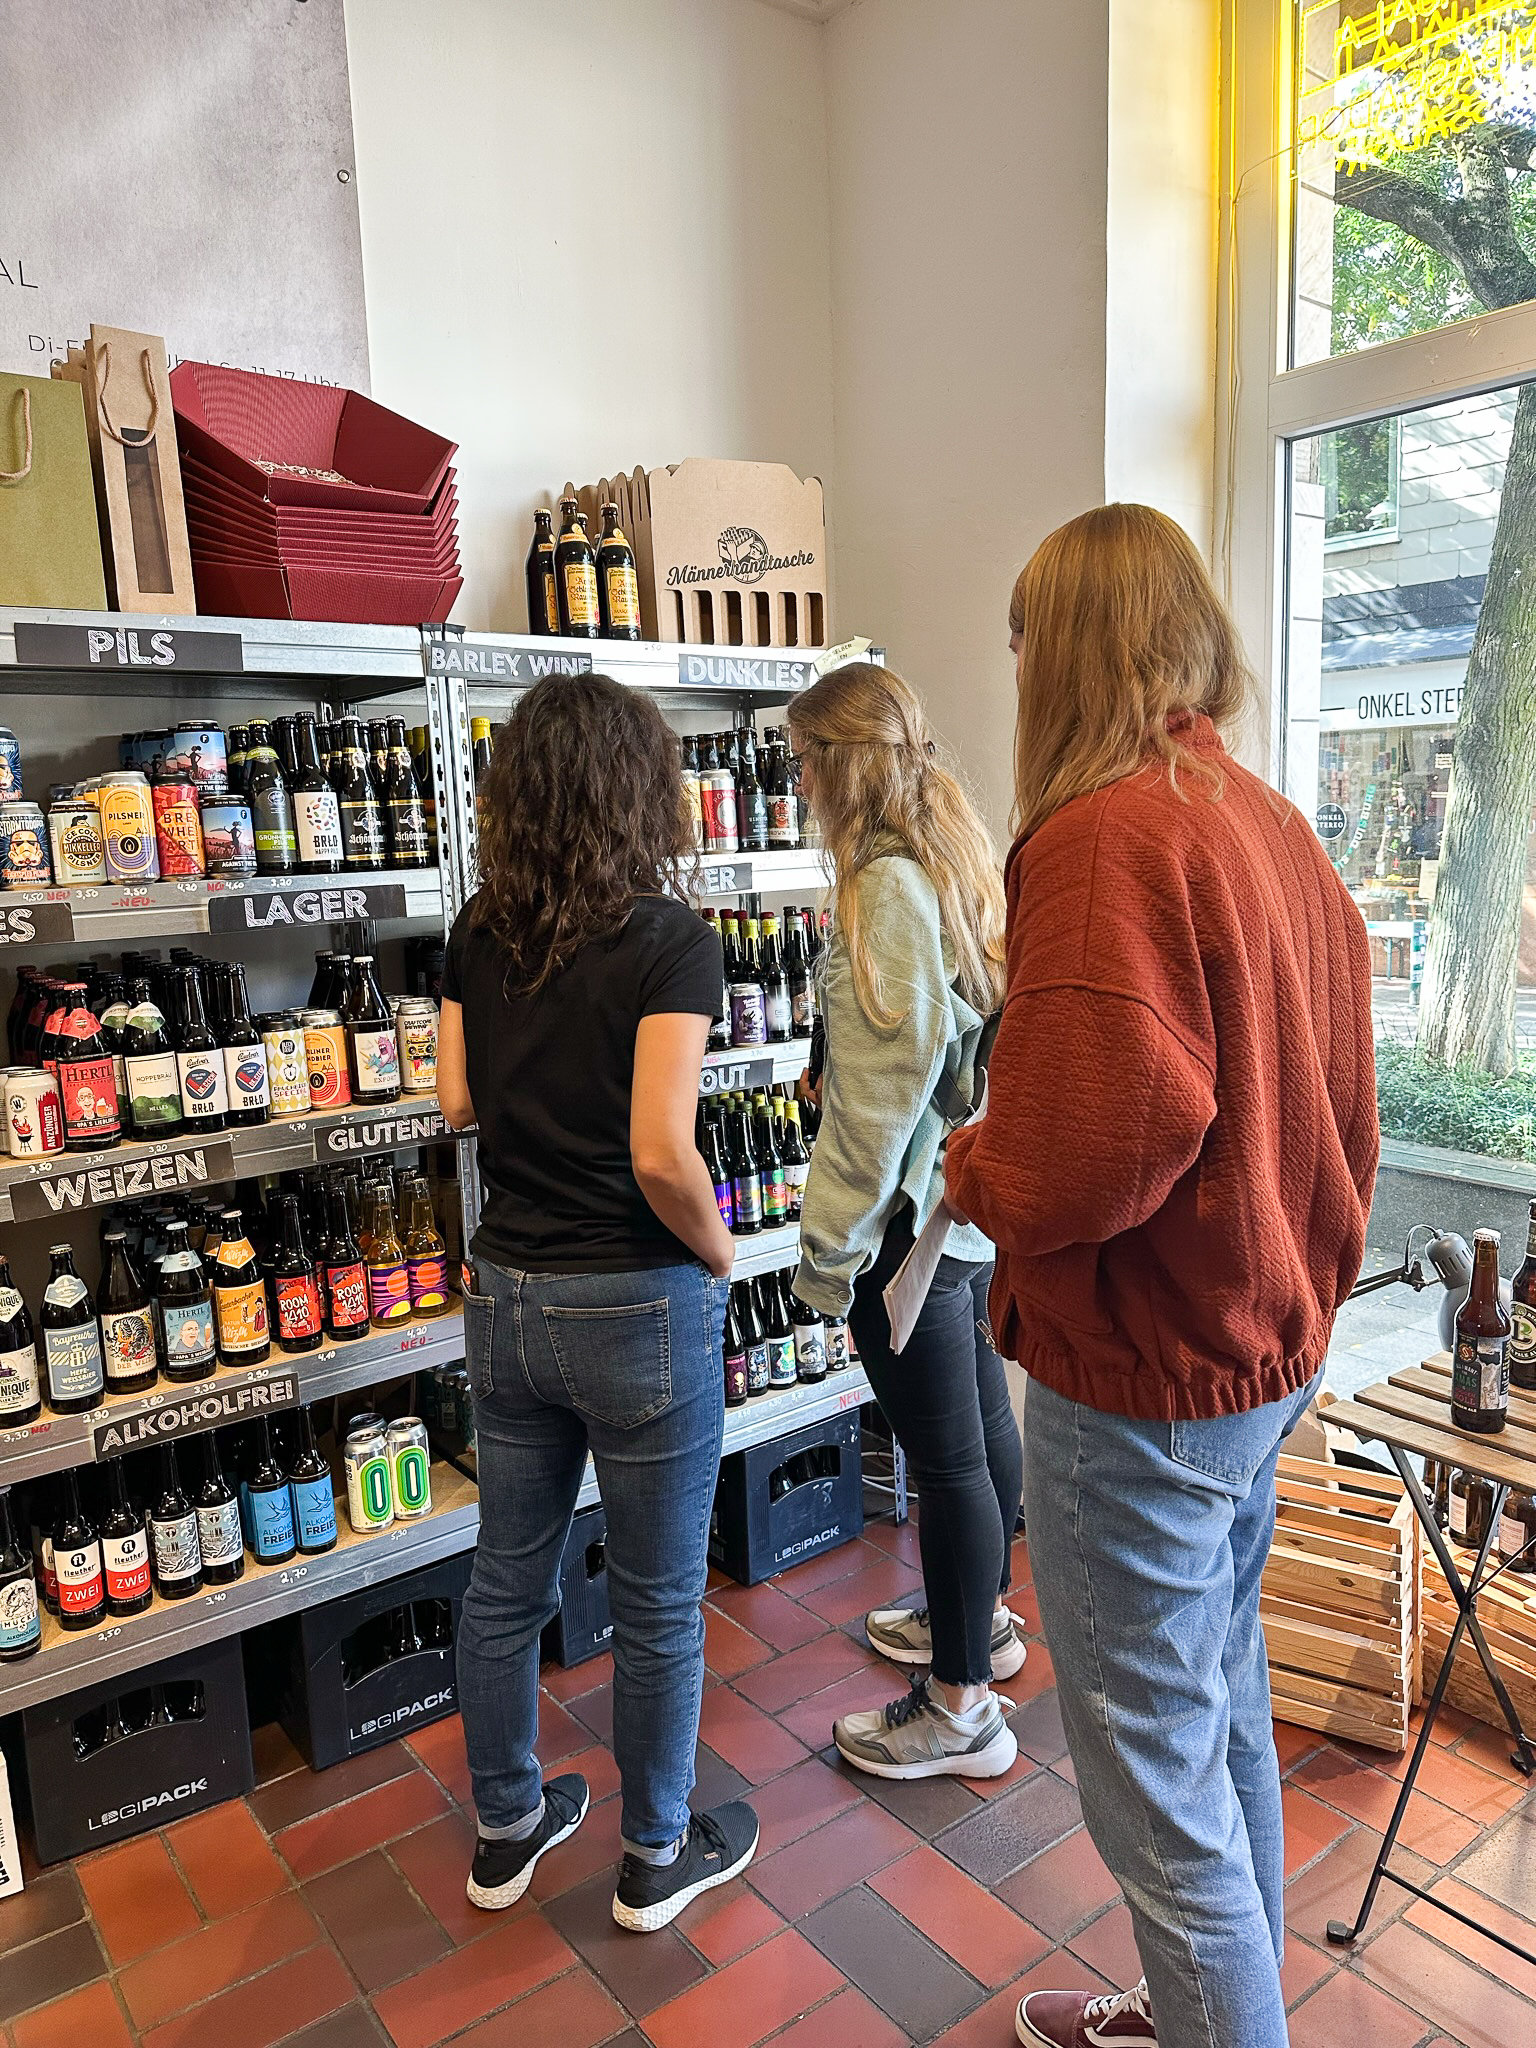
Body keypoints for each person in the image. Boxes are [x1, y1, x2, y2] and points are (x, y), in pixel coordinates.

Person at [945, 506, 1377, 2048]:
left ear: (1065, 650)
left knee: (1154, 1790)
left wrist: (977, 1167)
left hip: (1142, 1383)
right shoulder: (1268, 823)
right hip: (1259, 1353)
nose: (1012, 671)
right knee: (1219, 1720)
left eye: (1020, 639)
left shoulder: (1100, 837)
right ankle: (1191, 2016)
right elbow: (1329, 1100)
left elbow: (1085, 1149)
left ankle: (1209, 2016)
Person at [437, 674, 759, 1933]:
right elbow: (662, 1154)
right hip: (637, 1303)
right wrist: (725, 1255)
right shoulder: (673, 939)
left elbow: (456, 1105)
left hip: (507, 1296)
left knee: (505, 1581)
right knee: (658, 1600)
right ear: (643, 791)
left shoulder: (475, 927)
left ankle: (507, 1829)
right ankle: (654, 1856)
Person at [788, 662, 1025, 1782]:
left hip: (903, 1228)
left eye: (803, 760)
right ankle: (976, 1625)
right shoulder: (951, 851)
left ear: (844, 764)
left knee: (943, 1463)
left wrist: (828, 1250)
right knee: (977, 1437)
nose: (795, 782)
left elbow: (882, 1092)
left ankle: (961, 1705)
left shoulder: (881, 881)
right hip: (959, 1209)